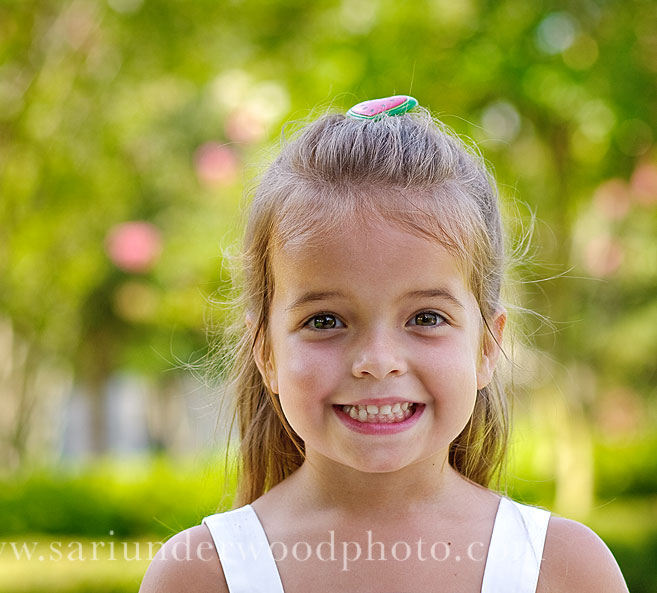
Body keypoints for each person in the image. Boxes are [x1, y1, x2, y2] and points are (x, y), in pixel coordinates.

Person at [138, 96, 629, 593]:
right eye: (326, 320)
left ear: (486, 347)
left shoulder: (565, 570)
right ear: (266, 352)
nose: (377, 362)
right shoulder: (200, 574)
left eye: (426, 317)